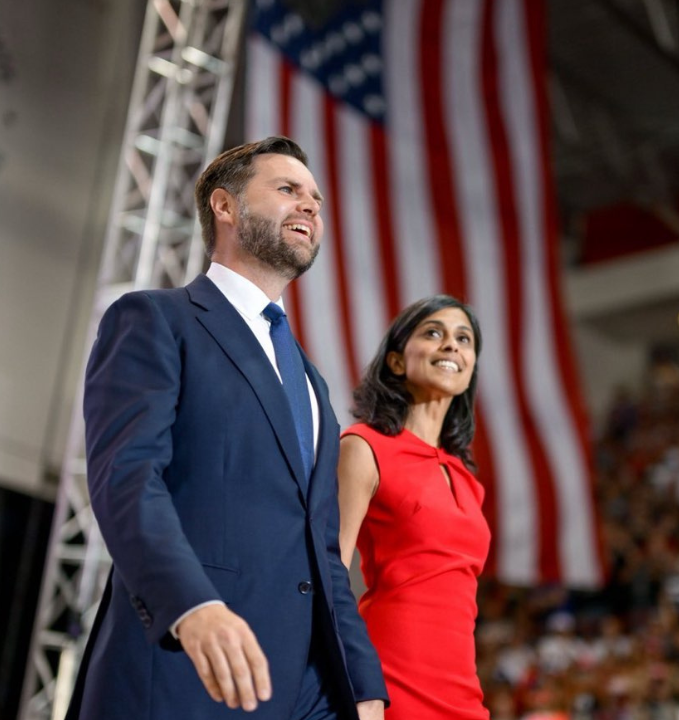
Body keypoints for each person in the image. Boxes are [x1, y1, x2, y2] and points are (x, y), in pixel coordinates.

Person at [71, 136, 387, 719]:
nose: (311, 206)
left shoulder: (313, 385)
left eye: (315, 197)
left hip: (301, 689)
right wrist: (191, 607)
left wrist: (362, 683)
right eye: (288, 189)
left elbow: (322, 550)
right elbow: (128, 480)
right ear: (225, 207)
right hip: (184, 668)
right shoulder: (154, 320)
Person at [336, 295, 491, 719]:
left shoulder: (467, 479)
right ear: (397, 362)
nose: (451, 346)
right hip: (389, 676)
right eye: (433, 333)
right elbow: (327, 572)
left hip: (462, 688)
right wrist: (360, 680)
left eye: (464, 339)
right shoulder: (364, 446)